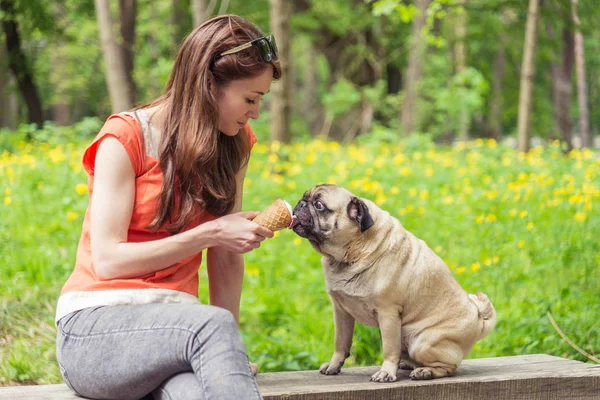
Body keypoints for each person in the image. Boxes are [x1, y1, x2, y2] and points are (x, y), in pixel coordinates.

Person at [55, 14, 281, 400]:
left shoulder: (236, 142)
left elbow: (225, 258)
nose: (255, 112)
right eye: (250, 99)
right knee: (212, 324)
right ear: (209, 84)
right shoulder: (125, 137)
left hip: (180, 334)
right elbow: (108, 260)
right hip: (95, 330)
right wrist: (209, 233)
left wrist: (226, 348)